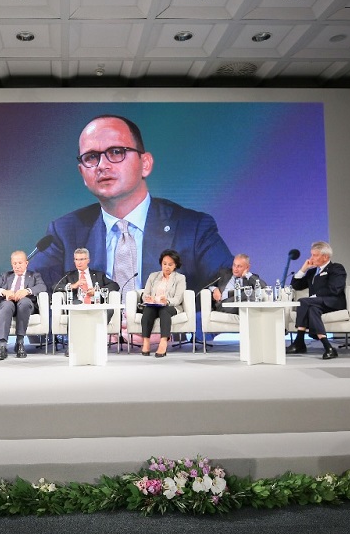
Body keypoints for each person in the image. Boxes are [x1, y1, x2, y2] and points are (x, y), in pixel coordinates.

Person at [29, 114, 233, 297]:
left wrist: (180, 325)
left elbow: (232, 292)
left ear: (145, 164)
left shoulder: (193, 228)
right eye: (91, 157)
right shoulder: (65, 232)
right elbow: (30, 292)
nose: (102, 165)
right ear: (82, 173)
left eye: (116, 152)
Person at [286, 241, 347, 360]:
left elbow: (335, 288)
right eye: (311, 255)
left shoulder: (336, 268)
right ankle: (328, 347)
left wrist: (314, 297)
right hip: (317, 304)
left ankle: (299, 342)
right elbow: (296, 285)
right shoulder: (312, 272)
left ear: (325, 257)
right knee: (312, 309)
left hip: (332, 302)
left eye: (315, 255)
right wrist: (303, 269)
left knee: (303, 301)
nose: (311, 258)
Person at [0, 251, 47, 360]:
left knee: (24, 302)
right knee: (7, 305)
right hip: (7, 304)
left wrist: (27, 291)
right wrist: (4, 292)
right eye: (14, 263)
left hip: (25, 305)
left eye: (20, 263)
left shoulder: (34, 275)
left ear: (26, 263)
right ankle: (2, 346)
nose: (17, 266)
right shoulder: (6, 276)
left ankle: (20, 343)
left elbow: (42, 286)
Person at [139, 249, 187, 358]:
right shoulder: (153, 276)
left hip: (170, 306)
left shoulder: (180, 278)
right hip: (154, 305)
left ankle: (163, 342)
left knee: (164, 311)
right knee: (148, 310)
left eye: (170, 264)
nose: (167, 267)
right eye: (164, 264)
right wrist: (148, 298)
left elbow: (178, 299)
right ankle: (146, 342)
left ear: (175, 265)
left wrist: (167, 301)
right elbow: (145, 294)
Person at [53, 247, 120, 321]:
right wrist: (73, 286)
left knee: (109, 310)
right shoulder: (69, 276)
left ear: (88, 260)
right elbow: (55, 287)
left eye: (82, 259)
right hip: (76, 307)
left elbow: (115, 285)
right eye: (76, 259)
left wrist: (97, 291)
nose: (79, 262)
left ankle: (99, 327)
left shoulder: (98, 275)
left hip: (95, 306)